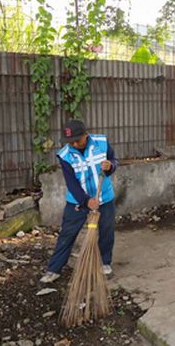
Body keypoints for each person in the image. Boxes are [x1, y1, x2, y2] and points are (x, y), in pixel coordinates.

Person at [40, 119, 118, 283]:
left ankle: (105, 263)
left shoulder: (101, 142)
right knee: (67, 234)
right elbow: (72, 183)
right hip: (77, 201)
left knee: (106, 231)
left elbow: (113, 159)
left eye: (77, 140)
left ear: (86, 135)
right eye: (70, 141)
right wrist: (86, 201)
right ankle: (54, 269)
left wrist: (110, 165)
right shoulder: (65, 155)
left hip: (104, 197)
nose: (74, 144)